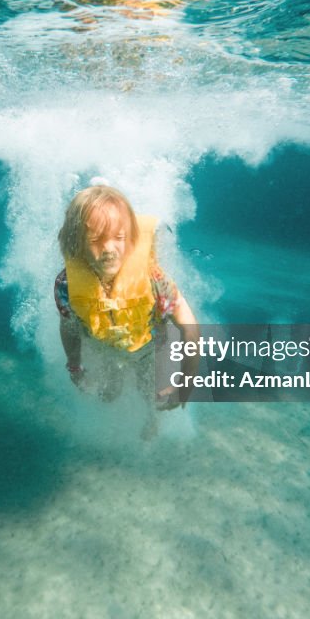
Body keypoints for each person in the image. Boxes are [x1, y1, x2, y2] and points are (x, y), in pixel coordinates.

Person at [54, 185, 199, 434]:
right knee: (109, 394)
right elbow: (68, 327)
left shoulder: (152, 277)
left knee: (152, 395)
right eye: (95, 240)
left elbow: (189, 327)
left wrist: (186, 382)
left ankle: (152, 420)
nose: (109, 249)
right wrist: (75, 367)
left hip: (148, 350)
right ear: (75, 242)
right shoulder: (66, 284)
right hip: (105, 349)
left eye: (118, 238)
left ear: (131, 238)